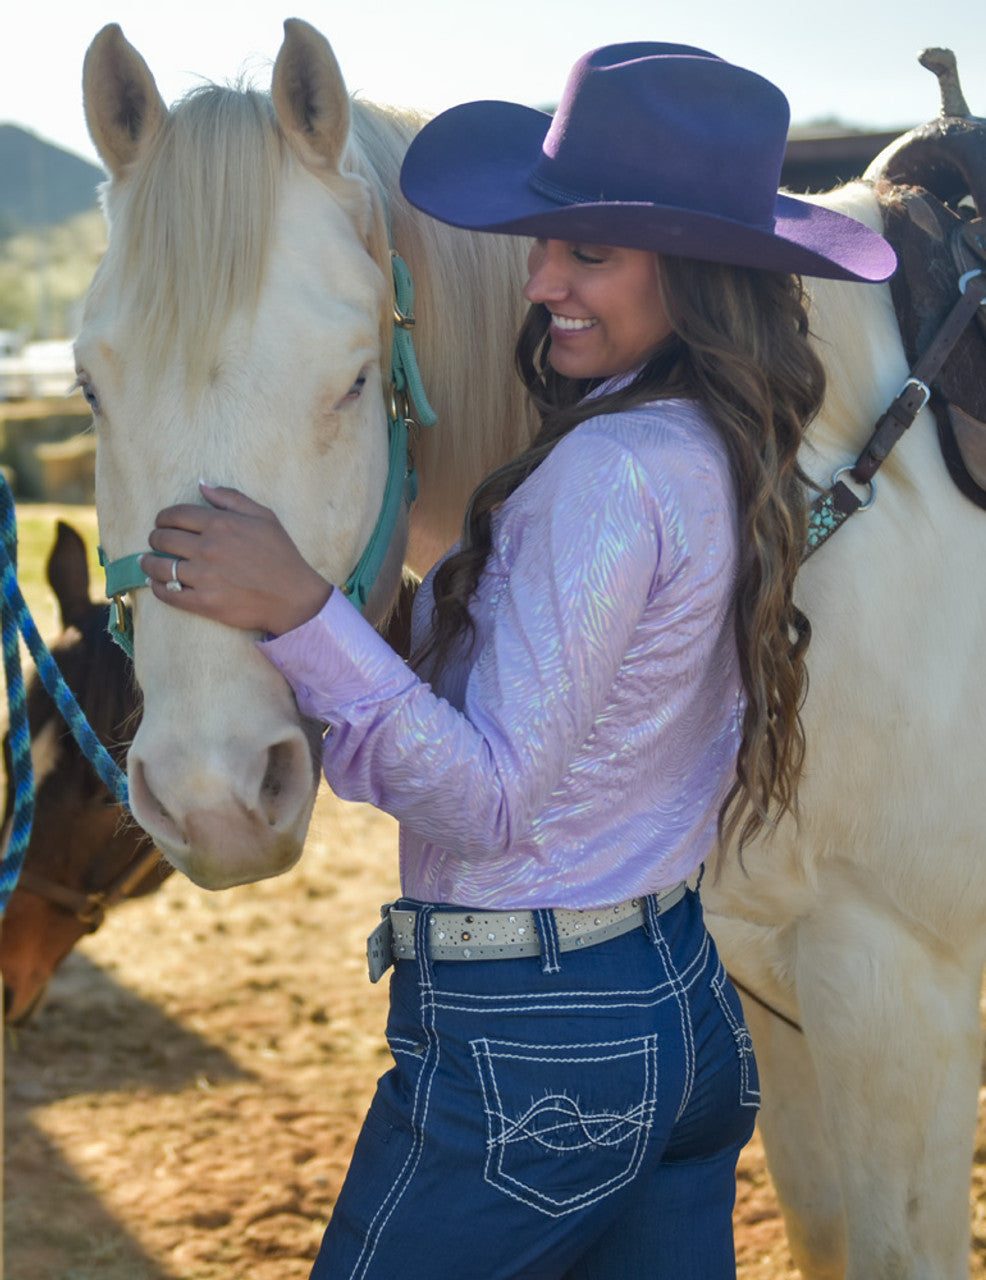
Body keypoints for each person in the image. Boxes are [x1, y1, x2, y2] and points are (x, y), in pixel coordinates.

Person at [139, 43, 895, 1279]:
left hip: (537, 1051)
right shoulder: (700, 442)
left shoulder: (601, 475)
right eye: (545, 244)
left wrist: (298, 611)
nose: (539, 282)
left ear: (696, 271)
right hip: (673, 1001)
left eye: (587, 252)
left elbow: (489, 797)